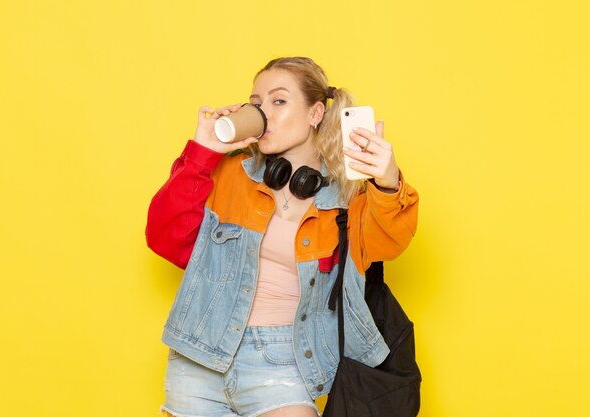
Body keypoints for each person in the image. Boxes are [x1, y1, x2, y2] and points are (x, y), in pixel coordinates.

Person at [146, 57, 419, 417]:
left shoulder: (346, 200)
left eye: (279, 101)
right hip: (200, 355)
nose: (264, 113)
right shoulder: (230, 173)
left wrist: (387, 183)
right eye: (256, 103)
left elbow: (389, 241)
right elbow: (166, 239)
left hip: (283, 362)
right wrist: (203, 151)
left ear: (315, 113)